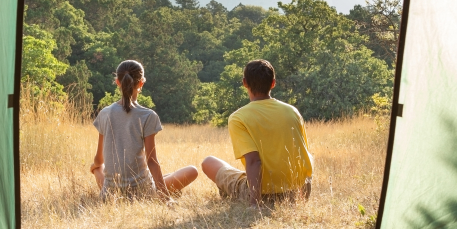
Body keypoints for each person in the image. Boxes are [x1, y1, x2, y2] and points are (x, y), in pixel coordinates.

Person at [201, 59, 313, 207]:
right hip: (298, 192)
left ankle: (228, 192)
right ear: (273, 83)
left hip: (265, 196)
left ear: (244, 83)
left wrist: (255, 204)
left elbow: (254, 161)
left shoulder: (238, 118)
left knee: (209, 162)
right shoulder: (292, 111)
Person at [90, 60, 197, 200]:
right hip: (143, 194)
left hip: (110, 195)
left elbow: (99, 159)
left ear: (117, 82)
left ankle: (109, 186)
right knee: (192, 171)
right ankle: (165, 188)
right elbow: (151, 161)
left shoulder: (105, 113)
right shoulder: (148, 116)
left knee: (98, 168)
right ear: (141, 83)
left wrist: (95, 166)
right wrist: (165, 197)